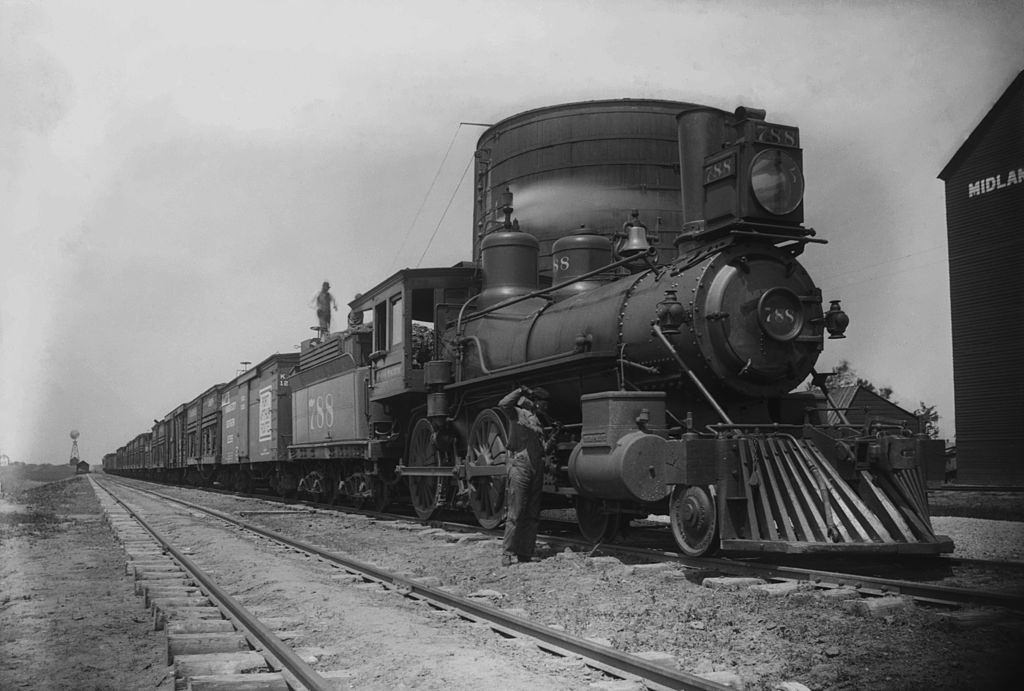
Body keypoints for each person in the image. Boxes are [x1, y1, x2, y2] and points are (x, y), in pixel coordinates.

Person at [498, 385, 549, 566]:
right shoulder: (518, 414)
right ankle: (507, 553)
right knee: (516, 512)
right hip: (520, 466)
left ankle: (525, 553)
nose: (545, 407)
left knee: (532, 514)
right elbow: (503, 404)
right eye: (543, 403)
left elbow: (542, 449)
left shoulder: (538, 421)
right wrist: (520, 391)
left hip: (536, 468)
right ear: (535, 402)